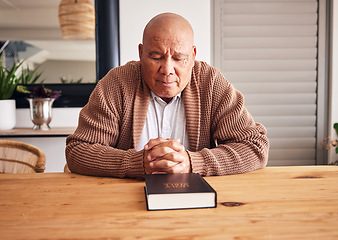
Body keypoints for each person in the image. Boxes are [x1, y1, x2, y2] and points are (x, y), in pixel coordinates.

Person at [65, 13, 269, 178]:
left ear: (194, 55)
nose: (167, 69)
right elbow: (78, 151)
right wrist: (138, 163)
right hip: (123, 203)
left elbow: (255, 147)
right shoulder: (117, 83)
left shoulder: (211, 83)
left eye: (179, 58)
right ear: (141, 53)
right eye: (156, 56)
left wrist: (192, 162)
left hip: (199, 202)